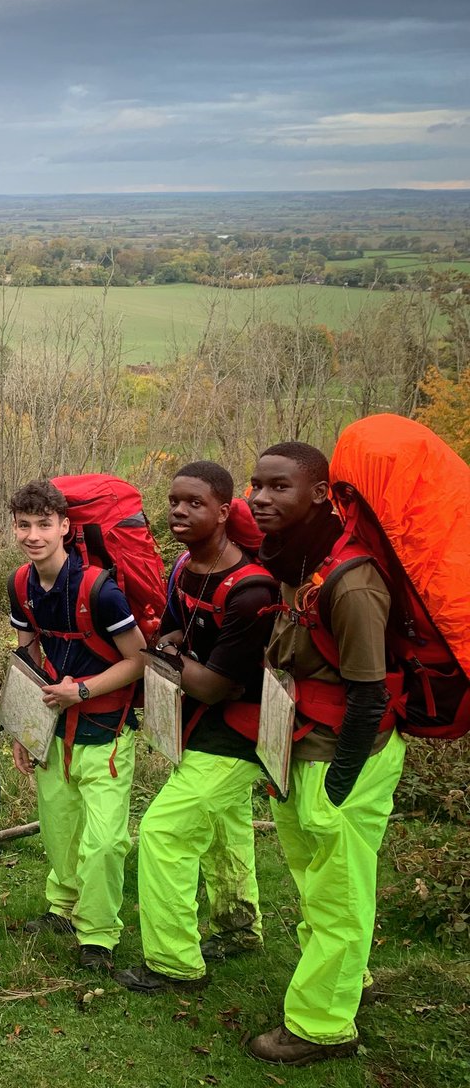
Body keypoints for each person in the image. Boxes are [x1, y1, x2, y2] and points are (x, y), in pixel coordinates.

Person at [246, 442, 405, 1067]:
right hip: (301, 750)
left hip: (343, 756)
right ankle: (347, 974)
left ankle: (320, 1026)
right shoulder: (300, 560)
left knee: (336, 890)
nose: (260, 497)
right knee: (319, 878)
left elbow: (368, 696)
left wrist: (338, 786)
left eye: (279, 487)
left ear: (319, 494)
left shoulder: (351, 581)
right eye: (256, 484)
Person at [115, 461, 276, 994]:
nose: (180, 511)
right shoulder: (185, 567)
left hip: (242, 730)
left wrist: (160, 652)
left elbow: (214, 685)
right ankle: (238, 928)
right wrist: (169, 645)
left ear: (225, 510)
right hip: (204, 722)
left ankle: (174, 963)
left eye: (195, 503)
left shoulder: (251, 591)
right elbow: (177, 626)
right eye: (174, 501)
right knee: (227, 828)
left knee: (164, 834)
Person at [8, 479, 144, 970]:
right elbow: (27, 654)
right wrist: (25, 727)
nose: (33, 535)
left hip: (105, 731)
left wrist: (80, 690)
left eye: (44, 525)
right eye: (24, 525)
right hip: (51, 730)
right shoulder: (20, 583)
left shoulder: (100, 591)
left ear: (65, 527)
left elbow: (138, 660)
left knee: (105, 839)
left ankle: (99, 936)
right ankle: (63, 907)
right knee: (60, 828)